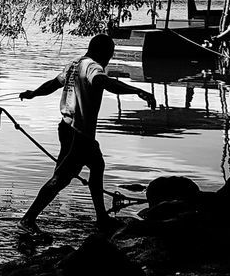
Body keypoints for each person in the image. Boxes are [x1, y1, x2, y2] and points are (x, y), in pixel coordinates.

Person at [17, 33, 155, 233]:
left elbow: (52, 84)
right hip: (78, 133)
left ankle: (101, 218)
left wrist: (32, 94)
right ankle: (28, 219)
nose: (108, 59)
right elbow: (104, 82)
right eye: (109, 54)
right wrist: (137, 91)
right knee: (61, 178)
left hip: (66, 128)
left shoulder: (74, 64)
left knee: (97, 165)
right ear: (103, 52)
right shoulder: (92, 67)